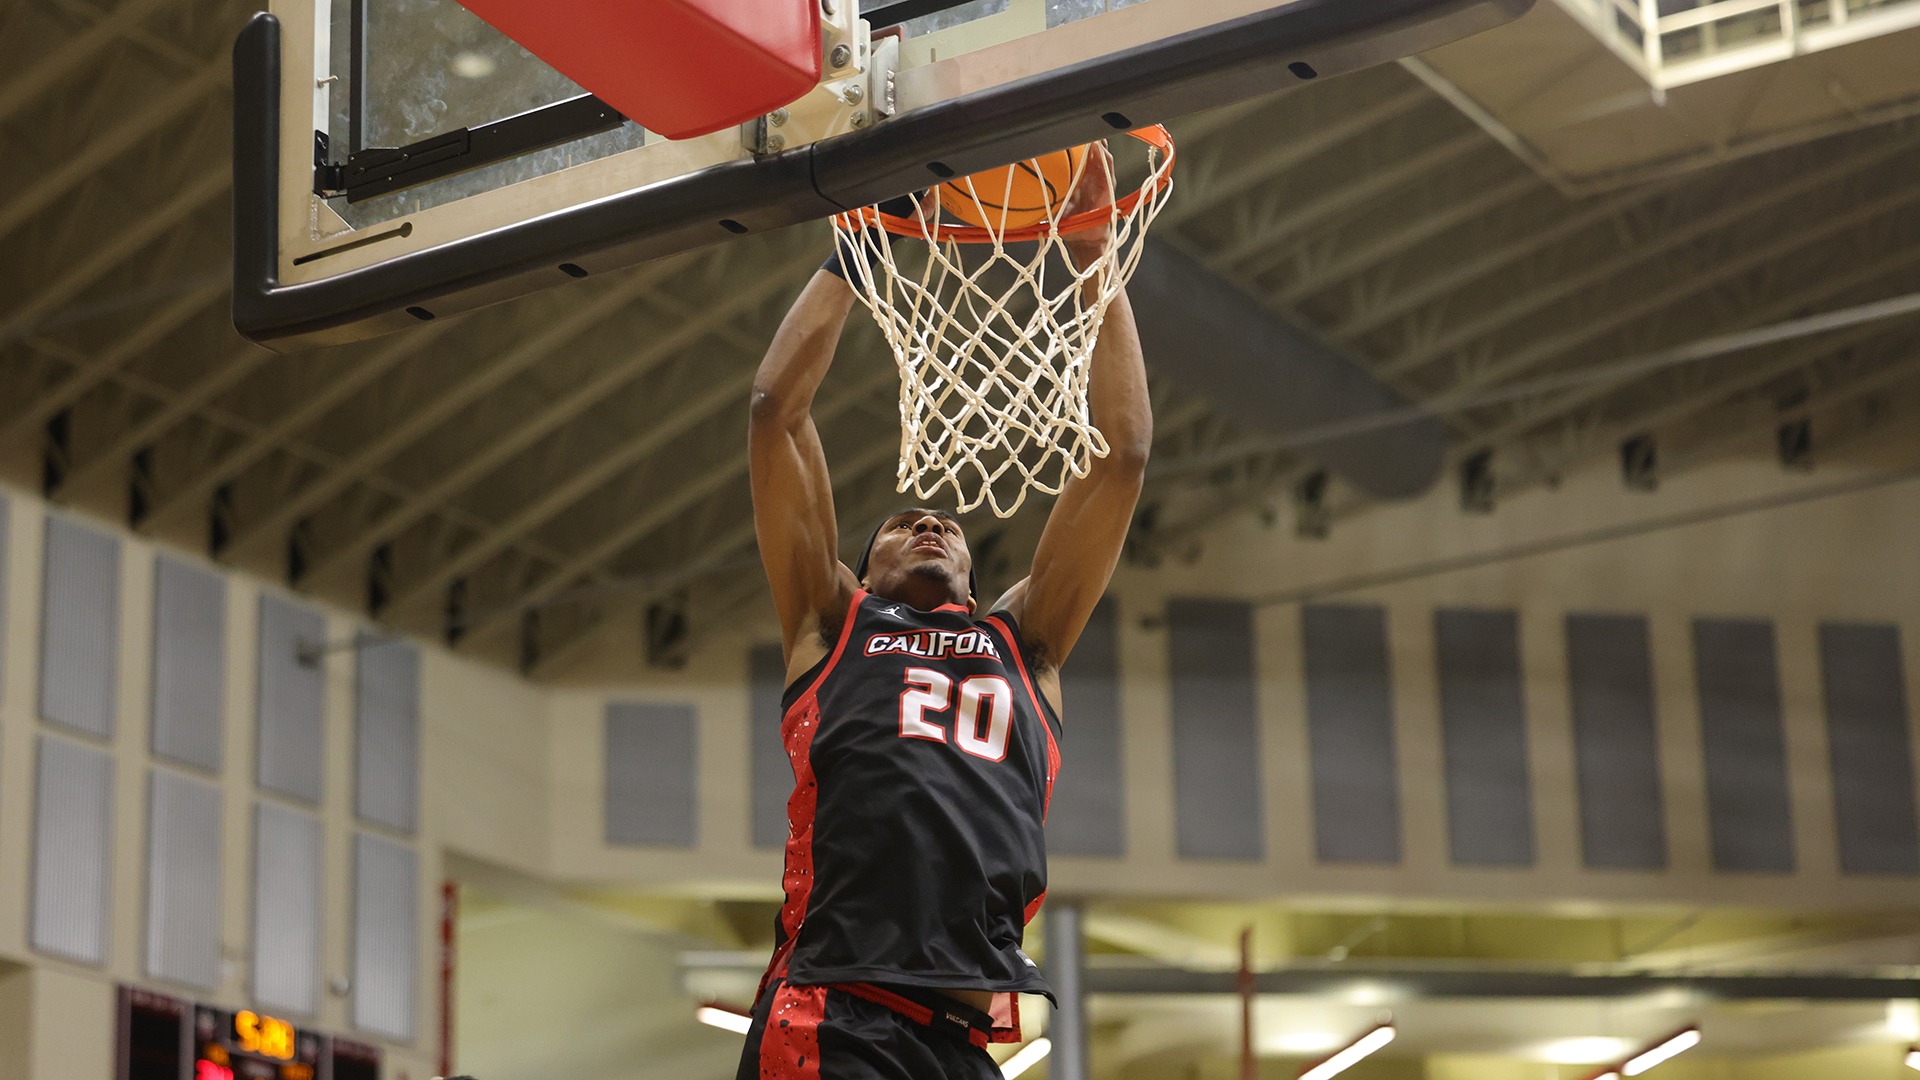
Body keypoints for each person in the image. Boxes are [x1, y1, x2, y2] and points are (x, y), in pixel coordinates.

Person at [739, 146, 1150, 1080]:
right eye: (900, 524)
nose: (928, 522)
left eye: (944, 524)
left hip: (961, 1044)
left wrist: (1094, 259)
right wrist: (859, 248)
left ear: (973, 570)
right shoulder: (831, 624)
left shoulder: (1026, 642)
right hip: (833, 1012)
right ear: (862, 567)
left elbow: (1121, 455)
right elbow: (773, 410)